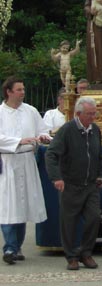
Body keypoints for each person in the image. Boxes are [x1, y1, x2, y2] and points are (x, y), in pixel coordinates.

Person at [44, 96, 102, 271]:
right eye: (89, 114)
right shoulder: (67, 130)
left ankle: (86, 253)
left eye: (94, 113)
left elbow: (99, 155)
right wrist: (56, 177)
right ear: (78, 114)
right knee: (68, 222)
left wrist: (99, 175)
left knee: (94, 217)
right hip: (70, 184)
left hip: (91, 185)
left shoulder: (96, 130)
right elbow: (51, 154)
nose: (93, 117)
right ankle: (71, 257)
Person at [0, 77, 50, 264]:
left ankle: (16, 247)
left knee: (21, 205)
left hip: (27, 160)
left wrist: (43, 137)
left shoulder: (31, 111)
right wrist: (19, 141)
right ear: (9, 92)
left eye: (23, 89)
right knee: (8, 205)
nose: (23, 92)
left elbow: (43, 130)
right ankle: (10, 247)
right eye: (19, 89)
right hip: (8, 162)